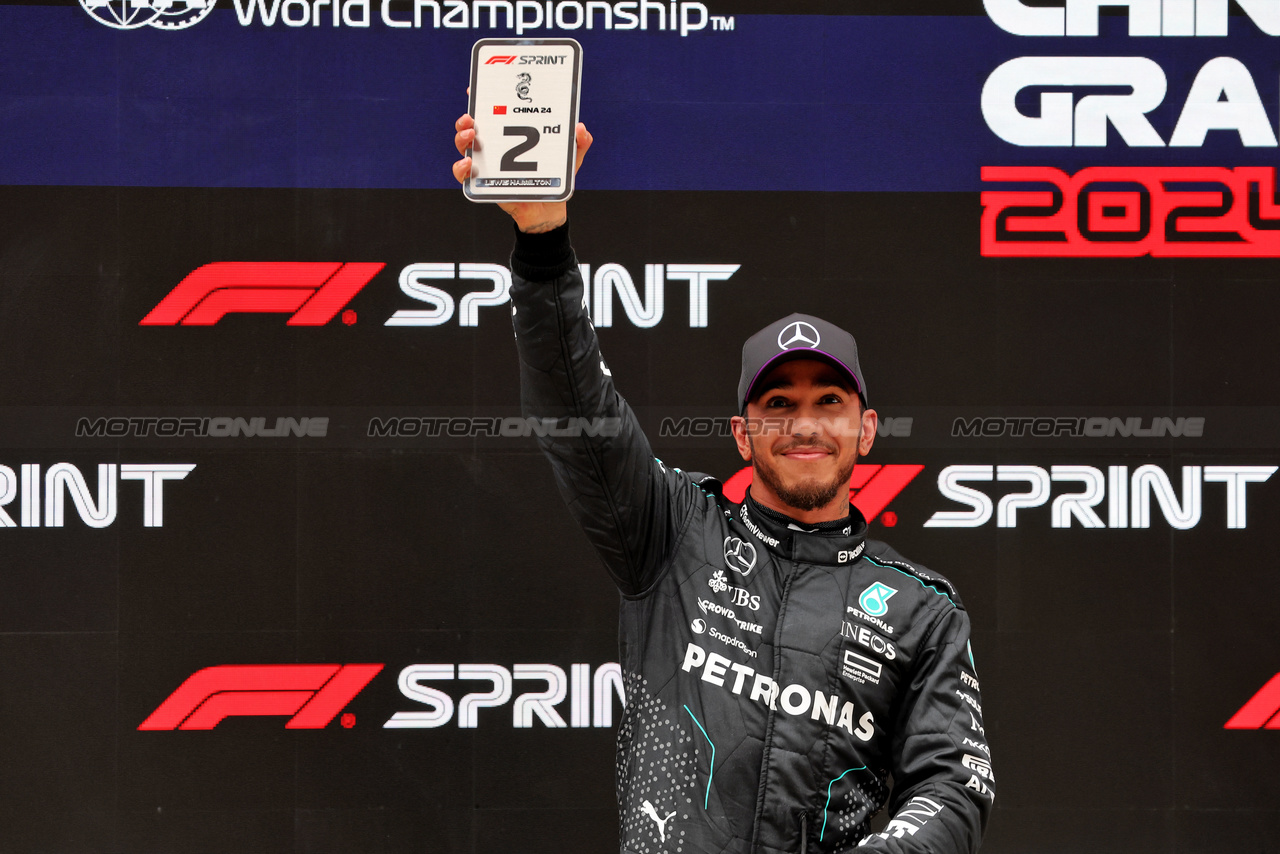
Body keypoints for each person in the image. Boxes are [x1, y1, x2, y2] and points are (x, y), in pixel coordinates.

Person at [453, 114, 993, 854]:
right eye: (779, 405)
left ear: (867, 431)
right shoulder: (673, 531)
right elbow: (577, 411)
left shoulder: (922, 610)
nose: (804, 425)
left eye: (828, 403)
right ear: (743, 436)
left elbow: (954, 786)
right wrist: (543, 245)